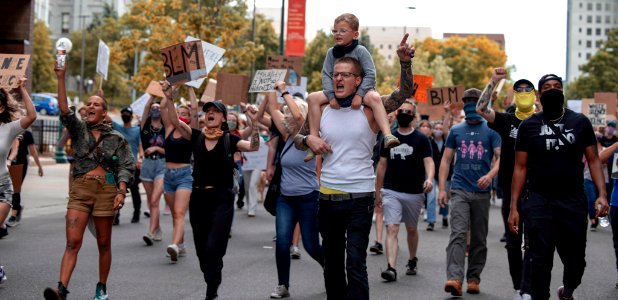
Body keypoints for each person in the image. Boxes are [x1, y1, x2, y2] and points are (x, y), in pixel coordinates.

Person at [508, 74, 609, 300]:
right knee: (539, 260)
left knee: (575, 261)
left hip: (572, 201)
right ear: (540, 94)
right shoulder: (528, 126)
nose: (553, 90)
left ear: (562, 92)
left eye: (557, 86)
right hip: (538, 201)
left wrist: (602, 193)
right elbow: (520, 167)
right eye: (547, 87)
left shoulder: (580, 122)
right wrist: (514, 207)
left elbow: (593, 159)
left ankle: (568, 289)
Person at [161, 81, 260, 300]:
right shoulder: (196, 136)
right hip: (198, 197)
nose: (211, 114)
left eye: (216, 111)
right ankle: (211, 275)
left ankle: (211, 288)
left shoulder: (229, 139)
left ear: (224, 118)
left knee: (215, 244)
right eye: (208, 111)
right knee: (201, 247)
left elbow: (253, 146)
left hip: (222, 197)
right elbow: (176, 122)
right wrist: (169, 98)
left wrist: (254, 123)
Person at [44, 64, 134, 300]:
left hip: (106, 191)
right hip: (81, 190)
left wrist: (121, 191)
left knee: (104, 243)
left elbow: (125, 166)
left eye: (97, 104)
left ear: (104, 113)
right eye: (89, 104)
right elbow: (64, 110)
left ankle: (101, 287)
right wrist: (61, 76)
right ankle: (61, 290)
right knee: (73, 242)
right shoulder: (79, 129)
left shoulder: (117, 138)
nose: (91, 106)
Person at [304, 56, 379, 300]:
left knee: (355, 262)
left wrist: (405, 63)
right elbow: (295, 137)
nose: (338, 78)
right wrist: (308, 139)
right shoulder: (322, 109)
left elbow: (403, 94)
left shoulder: (369, 110)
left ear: (358, 80)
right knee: (333, 263)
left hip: (360, 197)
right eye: (335, 74)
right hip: (328, 197)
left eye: (345, 74)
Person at [307, 13, 402, 162]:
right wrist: (331, 96)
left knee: (375, 98)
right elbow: (326, 74)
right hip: (337, 92)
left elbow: (370, 74)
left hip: (363, 90)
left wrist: (360, 94)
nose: (338, 34)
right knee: (312, 97)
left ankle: (387, 134)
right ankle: (313, 138)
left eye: (343, 31)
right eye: (335, 31)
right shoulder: (331, 53)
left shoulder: (361, 51)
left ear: (355, 34)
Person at [476, 68, 535, 299]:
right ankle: (518, 287)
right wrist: (493, 81)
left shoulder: (542, 121)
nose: (522, 92)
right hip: (510, 192)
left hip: (537, 191)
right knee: (513, 243)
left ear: (534, 94)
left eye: (526, 89)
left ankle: (530, 287)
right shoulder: (507, 120)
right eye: (518, 89)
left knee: (533, 242)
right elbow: (481, 109)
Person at [438, 88, 501, 297]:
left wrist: (490, 175)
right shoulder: (456, 130)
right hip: (459, 190)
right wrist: (441, 189)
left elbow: (501, 158)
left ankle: (474, 278)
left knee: (479, 238)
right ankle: (455, 278)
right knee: (457, 233)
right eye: (468, 100)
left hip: (482, 192)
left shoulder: (492, 130)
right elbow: (446, 160)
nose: (471, 103)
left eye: (475, 100)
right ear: (463, 103)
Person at [266, 81, 324, 298]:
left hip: (308, 198)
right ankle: (283, 285)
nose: (285, 115)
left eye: (287, 112)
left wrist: (284, 90)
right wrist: (270, 86)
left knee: (311, 245)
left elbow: (298, 117)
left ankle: (332, 270)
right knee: (282, 242)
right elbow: (273, 109)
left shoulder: (308, 138)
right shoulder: (286, 136)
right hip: (286, 199)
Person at [375, 101, 434, 282]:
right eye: (402, 111)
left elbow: (429, 162)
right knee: (392, 227)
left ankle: (412, 258)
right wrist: (377, 191)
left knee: (411, 229)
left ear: (413, 116)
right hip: (391, 190)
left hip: (414, 192)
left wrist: (429, 179)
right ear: (397, 112)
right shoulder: (388, 137)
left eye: (408, 111)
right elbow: (382, 165)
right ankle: (391, 267)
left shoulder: (421, 139)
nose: (404, 113)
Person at [157, 89, 199, 263]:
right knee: (175, 213)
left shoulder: (191, 132)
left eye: (184, 114)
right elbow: (162, 108)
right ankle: (180, 244)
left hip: (184, 175)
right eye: (178, 113)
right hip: (168, 175)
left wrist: (189, 87)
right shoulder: (168, 128)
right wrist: (170, 93)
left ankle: (174, 244)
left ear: (189, 118)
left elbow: (195, 109)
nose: (181, 116)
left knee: (180, 212)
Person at [0, 77, 37, 240]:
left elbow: (31, 116)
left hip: (2, 187)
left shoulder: (8, 129)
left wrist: (22, 89)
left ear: (1, 108)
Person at [140, 97, 166, 246]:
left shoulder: (166, 127)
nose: (155, 109)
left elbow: (170, 150)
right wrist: (152, 96)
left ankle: (150, 232)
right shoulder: (144, 126)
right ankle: (157, 228)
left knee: (155, 199)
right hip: (147, 165)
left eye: (158, 107)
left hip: (162, 164)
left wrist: (157, 148)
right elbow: (145, 110)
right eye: (153, 108)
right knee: (151, 201)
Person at [109, 106, 142, 224]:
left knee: (134, 190)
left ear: (131, 115)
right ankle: (116, 215)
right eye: (123, 113)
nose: (125, 115)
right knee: (117, 190)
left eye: (127, 113)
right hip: (117, 165)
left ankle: (136, 213)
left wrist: (140, 159)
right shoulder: (117, 128)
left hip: (132, 165)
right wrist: (101, 96)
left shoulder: (137, 130)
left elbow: (141, 145)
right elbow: (105, 116)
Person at [6, 129, 44, 227]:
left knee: (15, 188)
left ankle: (13, 215)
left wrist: (39, 167)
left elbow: (33, 151)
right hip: (5, 162)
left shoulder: (27, 134)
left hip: (20, 163)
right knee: (6, 189)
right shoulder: (7, 129)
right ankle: (17, 207)